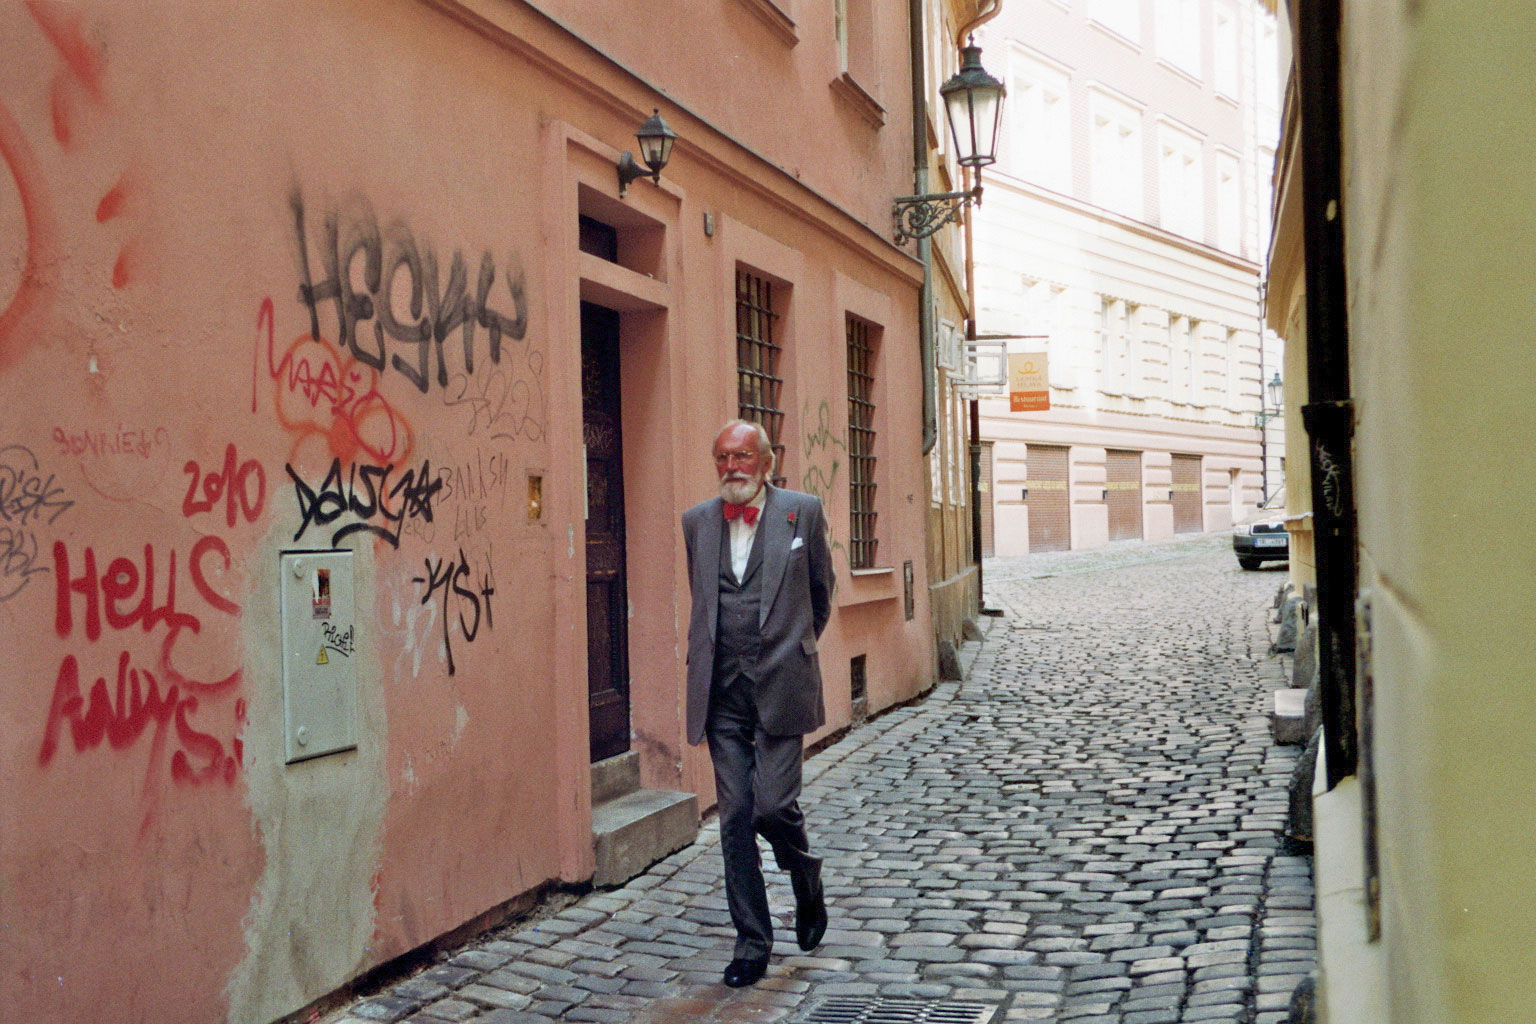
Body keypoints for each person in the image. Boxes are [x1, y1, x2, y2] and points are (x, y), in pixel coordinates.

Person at [681, 419, 833, 988]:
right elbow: (706, 602)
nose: (732, 467)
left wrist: (792, 647)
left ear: (766, 462)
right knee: (736, 817)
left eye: (743, 456)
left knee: (773, 806)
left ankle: (805, 877)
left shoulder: (803, 511)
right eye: (722, 457)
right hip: (722, 691)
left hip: (780, 682)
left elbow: (821, 593)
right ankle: (752, 941)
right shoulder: (697, 522)